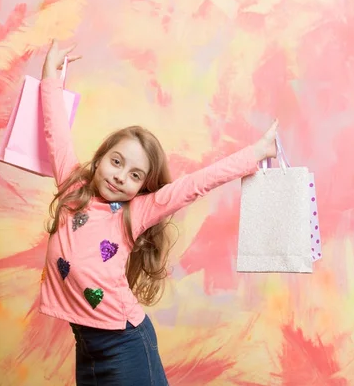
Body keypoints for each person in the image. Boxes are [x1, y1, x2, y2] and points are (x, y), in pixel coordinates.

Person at [37, 40, 278, 385]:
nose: (120, 176)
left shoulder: (133, 214)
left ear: (142, 187)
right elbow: (55, 132)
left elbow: (196, 184)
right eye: (116, 162)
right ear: (101, 157)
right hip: (86, 344)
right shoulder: (73, 188)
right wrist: (50, 74)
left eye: (135, 175)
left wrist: (256, 152)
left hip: (125, 346)